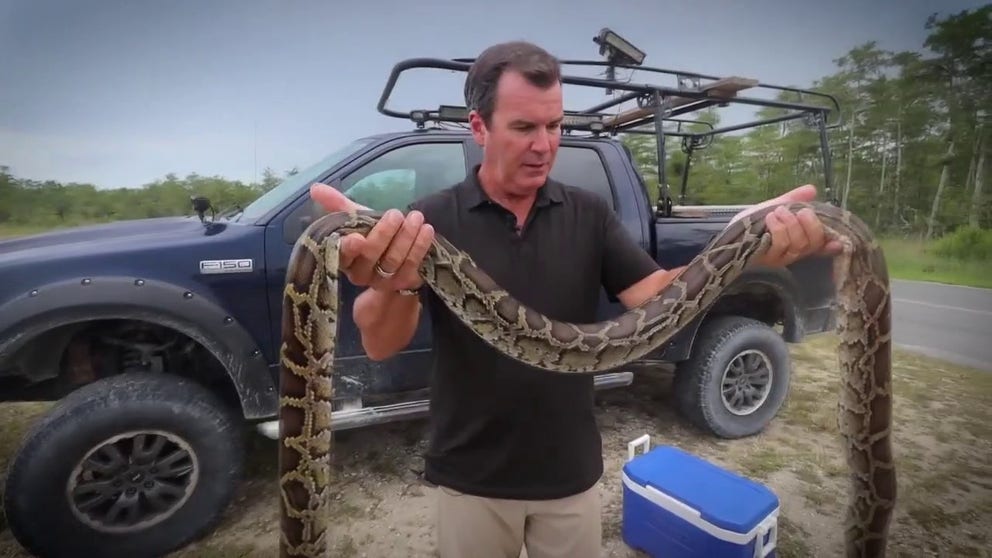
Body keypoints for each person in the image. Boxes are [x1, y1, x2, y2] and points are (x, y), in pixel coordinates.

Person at [310, 41, 839, 558]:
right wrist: (393, 281)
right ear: (479, 128)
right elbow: (379, 343)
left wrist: (741, 244)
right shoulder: (431, 218)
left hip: (570, 475)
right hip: (469, 475)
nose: (544, 145)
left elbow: (658, 298)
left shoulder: (589, 213)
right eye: (523, 127)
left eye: (554, 126)